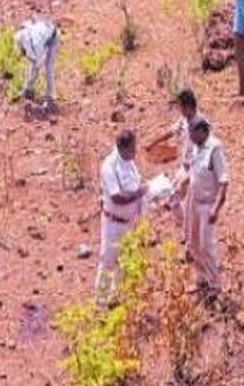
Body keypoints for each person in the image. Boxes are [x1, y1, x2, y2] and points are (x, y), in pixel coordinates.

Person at [96, 130, 148, 307]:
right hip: (113, 223)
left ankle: (115, 297)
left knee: (125, 261)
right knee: (108, 262)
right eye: (132, 148)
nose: (135, 152)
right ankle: (100, 303)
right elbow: (117, 197)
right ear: (122, 148)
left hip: (129, 222)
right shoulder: (109, 166)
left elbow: (135, 185)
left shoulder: (130, 163)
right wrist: (140, 193)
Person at [146, 89, 205, 229]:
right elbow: (170, 133)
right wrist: (153, 143)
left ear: (188, 106)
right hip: (184, 167)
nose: (179, 110)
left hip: (195, 169)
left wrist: (190, 175)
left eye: (180, 107)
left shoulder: (201, 125)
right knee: (174, 198)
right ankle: (188, 230)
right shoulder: (184, 122)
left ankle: (191, 231)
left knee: (176, 199)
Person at [184, 117, 229, 296]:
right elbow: (192, 172)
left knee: (206, 246)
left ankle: (215, 285)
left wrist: (216, 209)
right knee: (194, 243)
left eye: (193, 134)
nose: (190, 138)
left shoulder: (215, 149)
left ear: (202, 131)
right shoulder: (196, 147)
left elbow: (224, 181)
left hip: (207, 205)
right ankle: (201, 278)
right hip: (194, 202)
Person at [14, 15, 60, 103]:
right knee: (32, 65)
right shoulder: (23, 35)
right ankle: (28, 89)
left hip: (53, 38)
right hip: (44, 33)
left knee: (48, 67)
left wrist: (33, 71)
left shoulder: (35, 44)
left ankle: (51, 95)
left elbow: (38, 63)